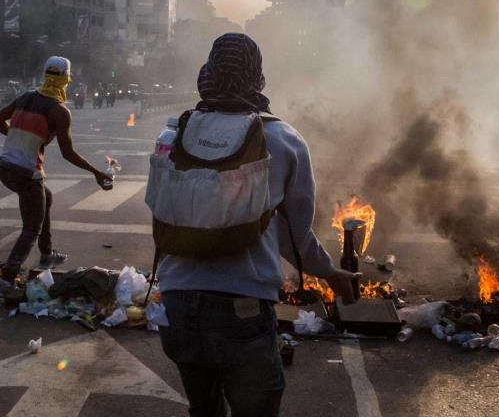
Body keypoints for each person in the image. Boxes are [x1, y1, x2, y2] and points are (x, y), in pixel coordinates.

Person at [153, 33, 360, 416]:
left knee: (204, 409)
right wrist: (330, 273)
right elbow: (294, 236)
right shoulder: (282, 139)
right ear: (256, 75)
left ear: (209, 72)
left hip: (176, 303)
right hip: (242, 308)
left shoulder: (177, 133)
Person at [0, 56, 111, 297]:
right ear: (66, 79)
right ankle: (5, 281)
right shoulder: (59, 111)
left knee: (46, 197)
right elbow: (68, 153)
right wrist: (96, 173)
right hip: (27, 173)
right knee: (31, 228)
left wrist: (17, 139)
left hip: (6, 169)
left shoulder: (25, 97)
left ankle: (46, 255)